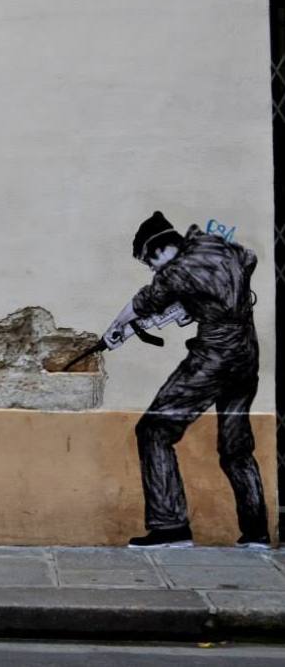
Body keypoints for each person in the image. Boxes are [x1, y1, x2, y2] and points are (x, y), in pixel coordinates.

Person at [105, 211, 269, 549]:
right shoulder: (218, 247)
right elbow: (248, 261)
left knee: (154, 429)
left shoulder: (177, 270)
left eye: (150, 263)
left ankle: (170, 527)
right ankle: (257, 533)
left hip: (214, 358)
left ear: (160, 250)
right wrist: (202, 303)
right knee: (236, 447)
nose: (153, 270)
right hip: (246, 356)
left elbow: (144, 302)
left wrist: (115, 328)